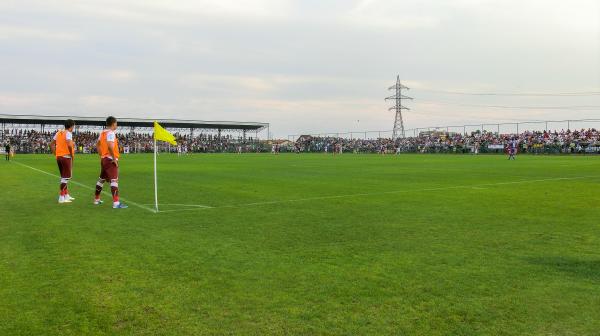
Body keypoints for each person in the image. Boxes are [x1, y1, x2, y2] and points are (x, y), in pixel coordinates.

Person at [94, 116, 128, 208]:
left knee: (101, 179)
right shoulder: (111, 133)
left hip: (104, 159)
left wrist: (101, 155)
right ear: (113, 124)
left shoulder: (103, 133)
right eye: (116, 123)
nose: (117, 125)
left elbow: (97, 144)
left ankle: (96, 199)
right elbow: (109, 146)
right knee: (114, 180)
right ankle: (116, 203)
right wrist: (113, 158)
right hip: (110, 159)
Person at [50, 119, 76, 203]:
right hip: (66, 157)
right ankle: (61, 197)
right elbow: (69, 144)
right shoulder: (68, 133)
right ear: (71, 126)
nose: (73, 128)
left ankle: (66, 195)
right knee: (66, 177)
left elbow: (51, 144)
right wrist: (71, 154)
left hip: (59, 157)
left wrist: (55, 153)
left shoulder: (58, 133)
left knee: (64, 177)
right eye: (73, 126)